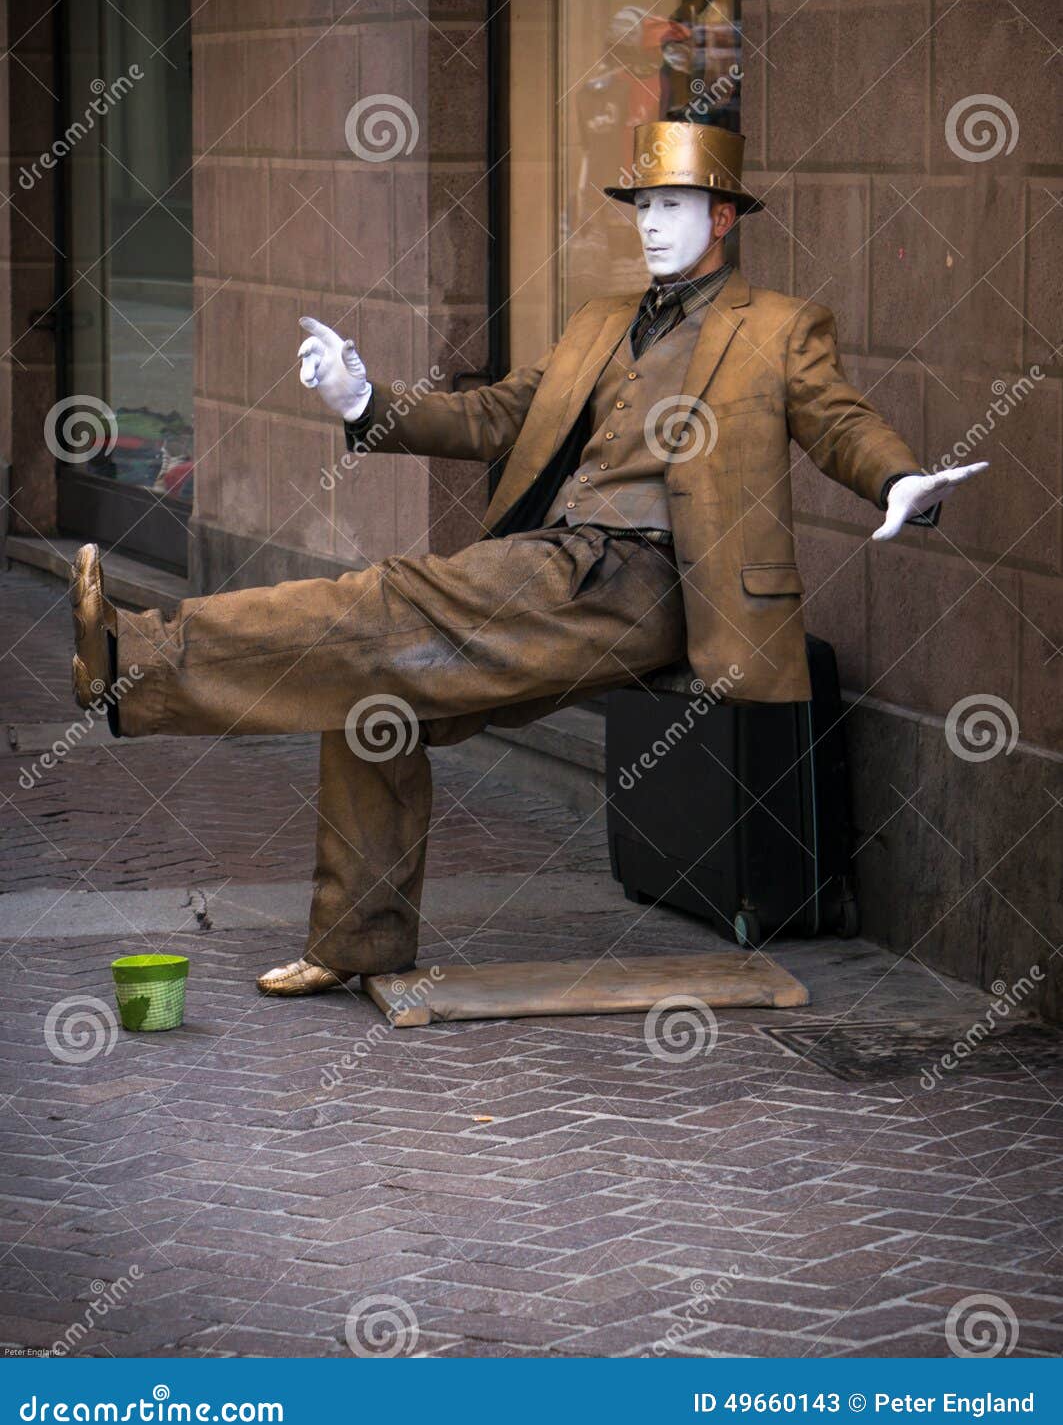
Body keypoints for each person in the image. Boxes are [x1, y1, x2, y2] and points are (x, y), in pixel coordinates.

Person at [68, 122, 986, 997]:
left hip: (653, 579)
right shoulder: (599, 320)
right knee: (371, 695)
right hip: (558, 563)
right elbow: (496, 415)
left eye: (674, 205)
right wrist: (362, 399)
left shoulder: (780, 325)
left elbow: (839, 421)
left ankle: (133, 658)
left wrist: (899, 482)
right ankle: (354, 946)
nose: (653, 225)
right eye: (643, 207)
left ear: (723, 218)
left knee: (388, 601)